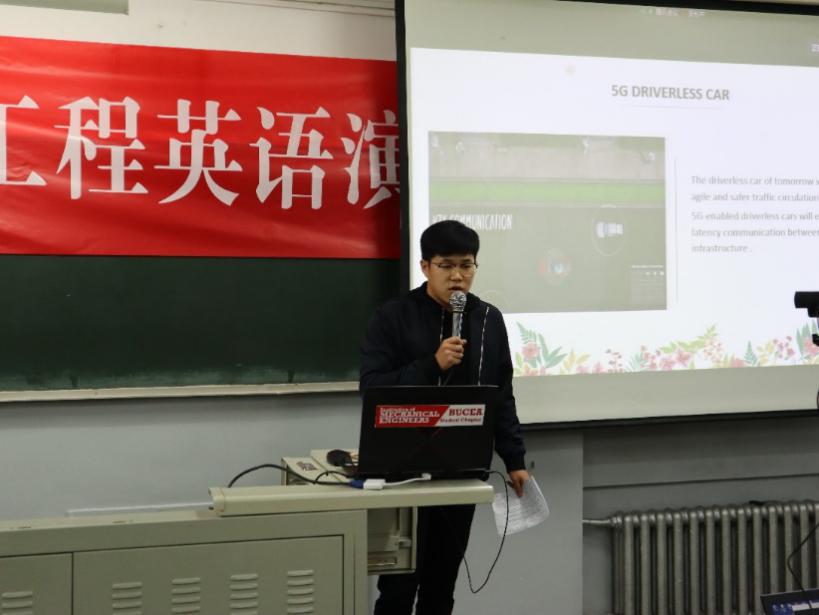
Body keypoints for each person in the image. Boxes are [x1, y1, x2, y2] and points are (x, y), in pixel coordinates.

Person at [360, 219, 529, 615]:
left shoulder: (487, 320)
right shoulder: (393, 316)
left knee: (441, 586)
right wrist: (431, 364)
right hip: (402, 473)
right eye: (446, 265)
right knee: (398, 589)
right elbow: (372, 388)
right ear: (425, 266)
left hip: (461, 469)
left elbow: (501, 395)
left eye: (466, 265)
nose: (457, 276)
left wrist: (515, 459)